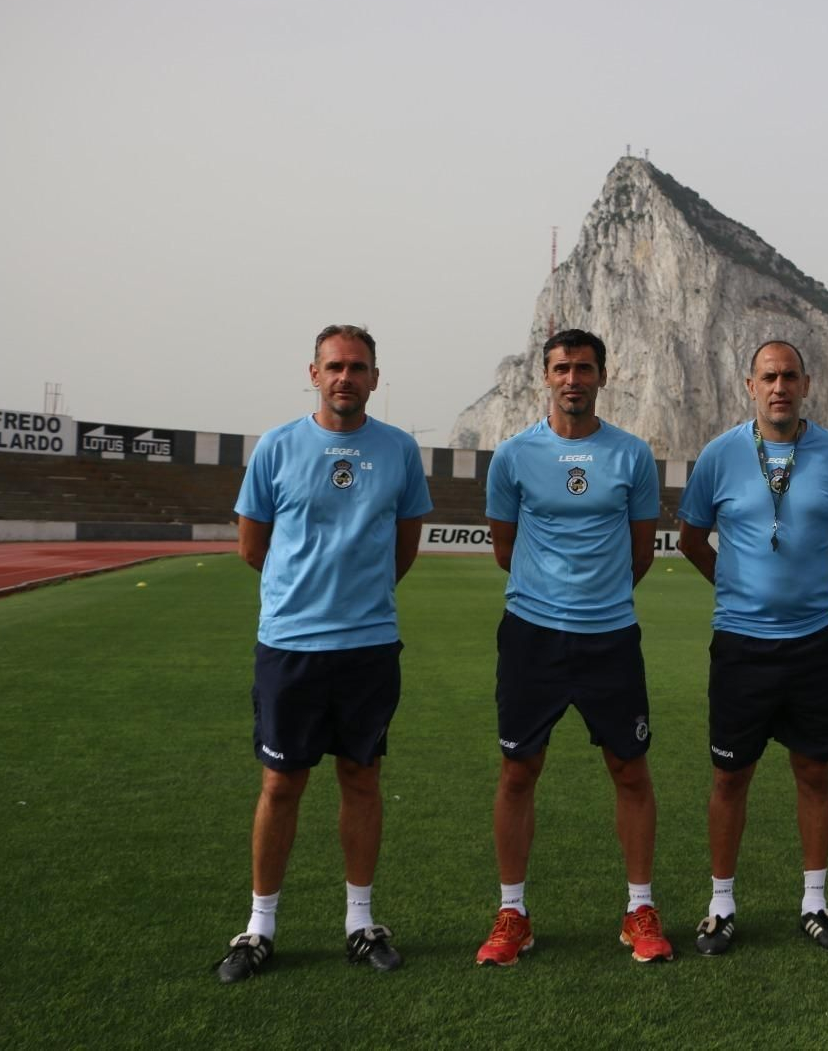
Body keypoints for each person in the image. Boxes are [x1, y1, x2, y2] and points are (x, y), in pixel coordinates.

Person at [216, 324, 432, 983]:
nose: (346, 377)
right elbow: (252, 546)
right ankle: (259, 927)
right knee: (281, 784)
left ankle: (360, 923)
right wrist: (304, 598)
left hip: (368, 645)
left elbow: (405, 544)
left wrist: (361, 600)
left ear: (374, 378)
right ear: (314, 373)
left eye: (358, 367)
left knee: (361, 779)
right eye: (335, 366)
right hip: (291, 645)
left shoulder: (399, 450)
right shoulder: (277, 446)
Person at [473, 328, 672, 965]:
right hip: (532, 637)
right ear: (546, 376)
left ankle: (639, 908)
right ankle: (513, 912)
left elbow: (641, 552)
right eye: (562, 368)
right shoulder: (513, 456)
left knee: (630, 770)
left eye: (584, 368)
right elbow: (505, 548)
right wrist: (550, 600)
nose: (573, 379)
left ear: (602, 377)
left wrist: (597, 600)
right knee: (518, 770)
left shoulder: (632, 455)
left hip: (610, 637)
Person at [677, 339, 828, 955]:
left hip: (814, 645)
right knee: (730, 776)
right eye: (768, 377)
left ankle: (815, 902)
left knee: (814, 771)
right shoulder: (720, 454)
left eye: (790, 376)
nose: (779, 387)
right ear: (750, 385)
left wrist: (816, 585)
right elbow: (691, 539)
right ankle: (721, 905)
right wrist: (736, 590)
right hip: (742, 646)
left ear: (806, 384)